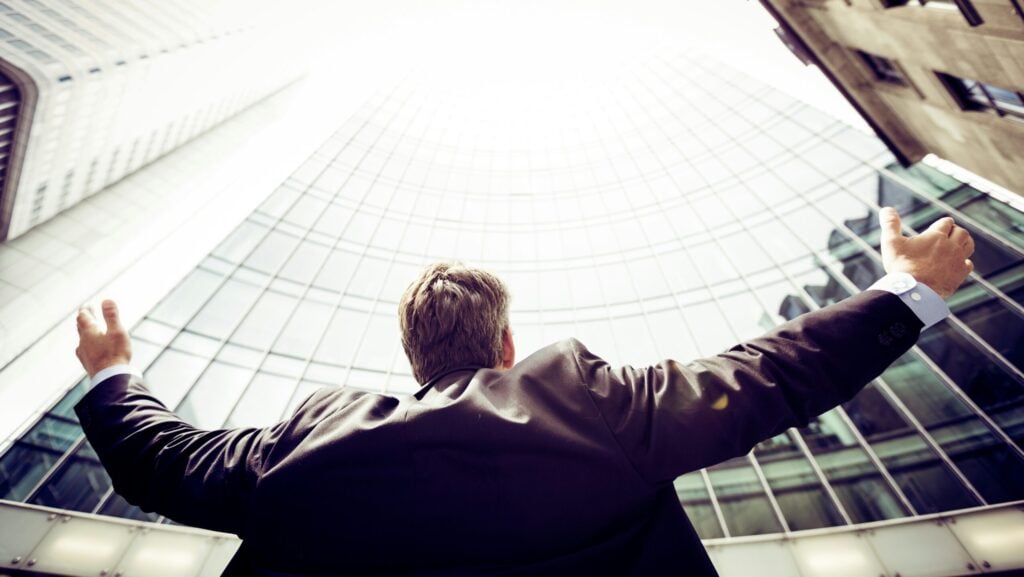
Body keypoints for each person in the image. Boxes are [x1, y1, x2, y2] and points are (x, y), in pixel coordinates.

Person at [74, 207, 974, 576]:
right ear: (506, 345)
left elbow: (161, 462)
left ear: (414, 358)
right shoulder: (585, 400)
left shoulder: (303, 447)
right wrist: (905, 291)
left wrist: (115, 369)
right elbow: (764, 375)